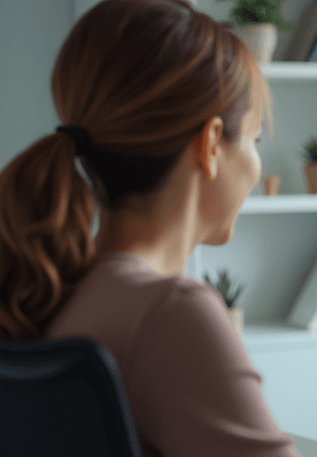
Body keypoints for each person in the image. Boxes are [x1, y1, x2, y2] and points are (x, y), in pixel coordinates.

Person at [0, 1, 300, 456]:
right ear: (212, 144)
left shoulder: (44, 288)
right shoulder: (171, 313)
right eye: (255, 139)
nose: (257, 166)